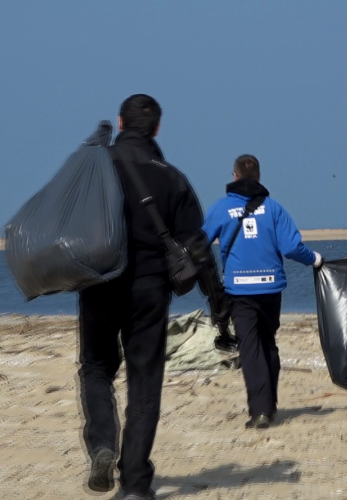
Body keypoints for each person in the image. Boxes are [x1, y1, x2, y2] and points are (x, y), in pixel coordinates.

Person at [78, 94, 227, 500]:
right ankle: (136, 484)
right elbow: (197, 247)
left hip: (99, 285)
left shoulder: (93, 166)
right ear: (157, 129)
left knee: (96, 368)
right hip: (149, 290)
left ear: (120, 123)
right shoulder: (171, 176)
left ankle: (103, 444)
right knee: (144, 383)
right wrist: (218, 303)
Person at [202, 155, 322, 429]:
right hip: (270, 287)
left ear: (234, 176)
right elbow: (292, 248)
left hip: (239, 289)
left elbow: (200, 242)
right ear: (258, 177)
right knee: (267, 342)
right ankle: (269, 406)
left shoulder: (221, 208)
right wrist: (315, 259)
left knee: (249, 346)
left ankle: (260, 411)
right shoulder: (274, 208)